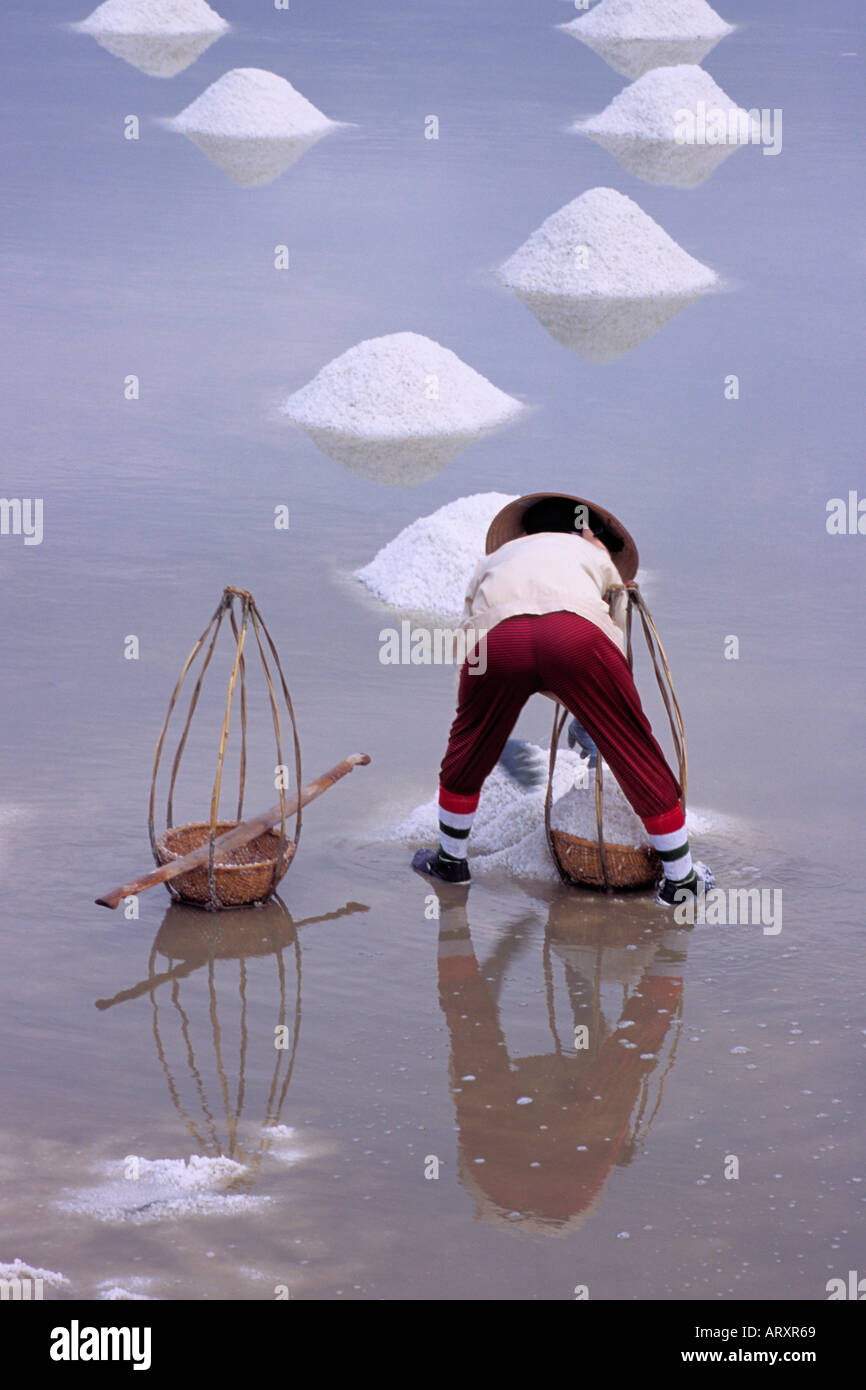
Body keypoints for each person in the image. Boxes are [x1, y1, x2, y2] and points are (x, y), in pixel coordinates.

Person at [411, 492, 711, 905]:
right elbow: (613, 634)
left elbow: (470, 626)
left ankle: (451, 862)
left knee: (468, 744)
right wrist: (589, 706)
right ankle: (681, 880)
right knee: (633, 746)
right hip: (575, 637)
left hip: (495, 643)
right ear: (586, 532)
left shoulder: (496, 559)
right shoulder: (594, 557)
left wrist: (481, 710)